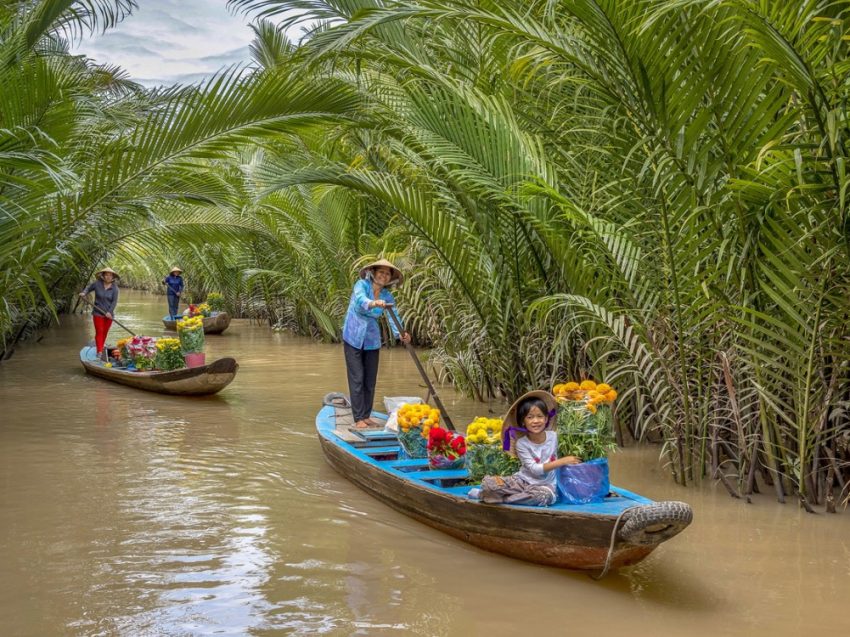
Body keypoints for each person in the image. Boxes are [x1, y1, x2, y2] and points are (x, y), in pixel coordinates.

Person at [472, 390, 581, 506]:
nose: (535, 421)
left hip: (545, 486)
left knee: (544, 497)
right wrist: (562, 461)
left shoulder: (554, 437)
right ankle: (493, 494)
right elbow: (535, 469)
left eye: (540, 416)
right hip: (521, 482)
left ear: (546, 419)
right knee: (490, 484)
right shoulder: (521, 444)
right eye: (530, 417)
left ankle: (501, 498)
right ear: (523, 422)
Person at [342, 258, 412, 429]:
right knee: (357, 377)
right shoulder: (361, 285)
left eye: (387, 274)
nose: (384, 276)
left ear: (390, 278)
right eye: (381, 272)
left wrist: (402, 334)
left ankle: (366, 415)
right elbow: (360, 300)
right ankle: (358, 417)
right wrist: (372, 302)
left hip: (372, 339)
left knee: (370, 380)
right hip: (353, 335)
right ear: (373, 273)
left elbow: (392, 315)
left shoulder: (387, 296)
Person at [79, 267, 120, 361]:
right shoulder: (97, 284)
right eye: (106, 275)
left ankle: (100, 346)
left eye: (110, 275)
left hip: (109, 315)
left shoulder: (115, 289)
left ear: (113, 277)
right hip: (98, 312)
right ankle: (99, 351)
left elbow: (114, 302)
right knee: (99, 331)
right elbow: (88, 288)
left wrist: (109, 312)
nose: (108, 277)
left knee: (105, 332)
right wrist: (84, 293)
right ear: (103, 276)